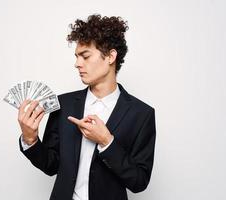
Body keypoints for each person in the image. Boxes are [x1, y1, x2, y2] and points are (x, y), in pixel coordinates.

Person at [17, 14, 156, 200]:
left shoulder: (141, 114)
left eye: (85, 56)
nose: (77, 64)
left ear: (110, 56)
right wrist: (30, 139)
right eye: (76, 57)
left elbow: (139, 182)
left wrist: (107, 142)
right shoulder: (63, 104)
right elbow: (51, 165)